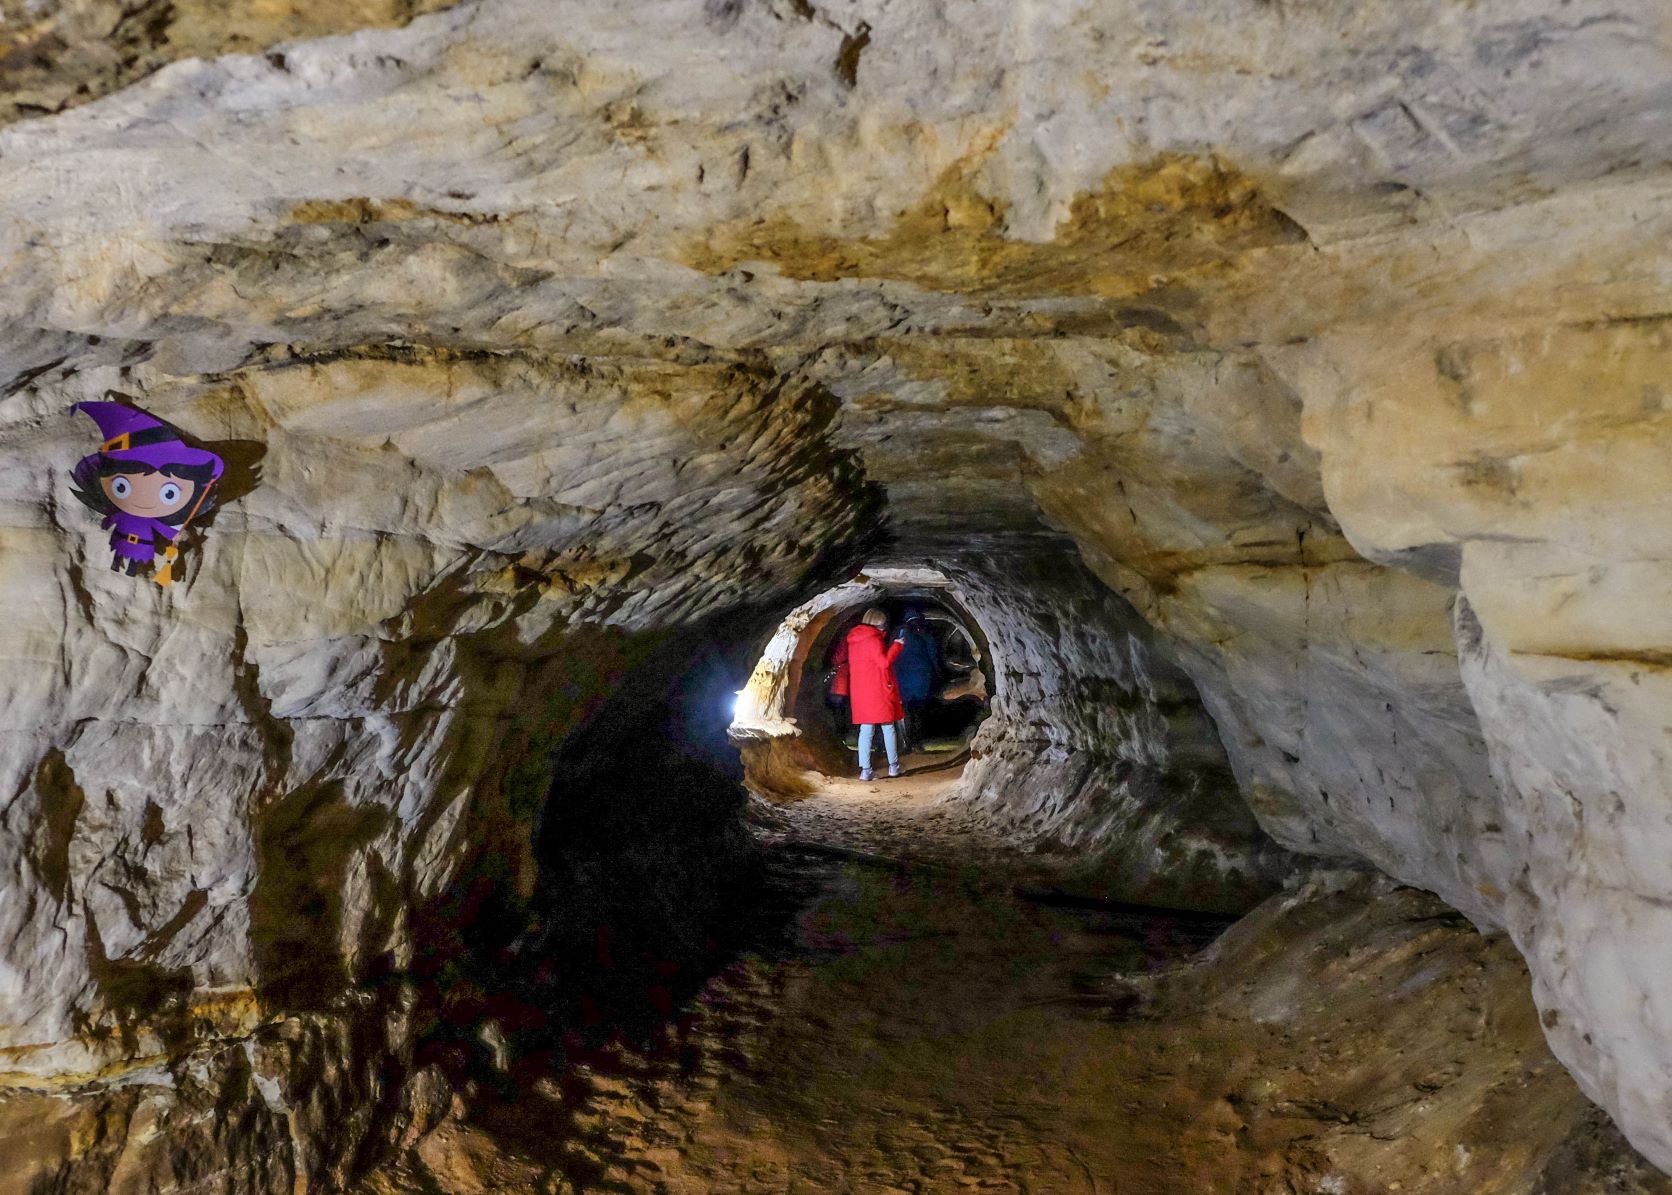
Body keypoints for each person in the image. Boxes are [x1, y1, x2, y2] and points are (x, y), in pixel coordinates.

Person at [844, 607, 904, 781]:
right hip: (878, 689)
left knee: (866, 730)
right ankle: (893, 766)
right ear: (879, 624)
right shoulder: (874, 639)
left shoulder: (854, 640)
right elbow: (883, 663)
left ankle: (865, 770)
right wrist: (897, 646)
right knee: (888, 727)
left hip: (861, 692)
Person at [891, 607, 940, 753]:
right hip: (921, 680)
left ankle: (905, 743)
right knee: (918, 712)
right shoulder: (925, 635)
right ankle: (917, 743)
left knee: (903, 712)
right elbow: (933, 656)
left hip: (902, 680)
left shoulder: (898, 635)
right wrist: (937, 672)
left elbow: (892, 655)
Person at [825, 635, 851, 734]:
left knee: (837, 708)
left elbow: (838, 658)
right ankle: (845, 730)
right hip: (851, 680)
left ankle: (840, 732)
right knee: (844, 708)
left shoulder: (846, 641)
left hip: (841, 680)